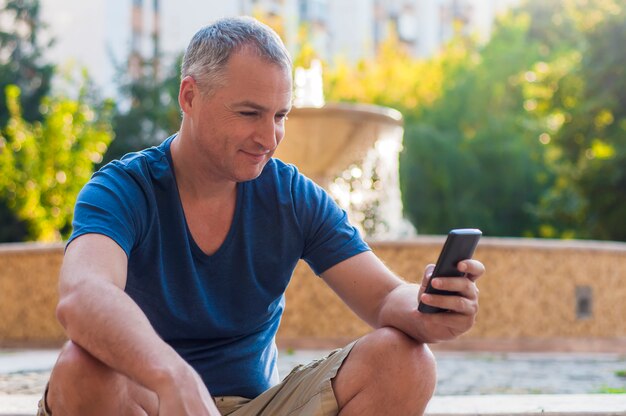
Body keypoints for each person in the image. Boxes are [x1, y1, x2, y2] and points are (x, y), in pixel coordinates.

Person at [39, 16, 485, 416]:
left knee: (406, 360)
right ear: (190, 96)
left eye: (280, 116)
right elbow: (83, 294)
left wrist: (431, 306)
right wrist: (172, 377)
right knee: (82, 368)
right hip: (149, 400)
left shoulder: (291, 196)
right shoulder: (123, 189)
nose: (268, 137)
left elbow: (386, 298)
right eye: (250, 113)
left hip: (256, 407)